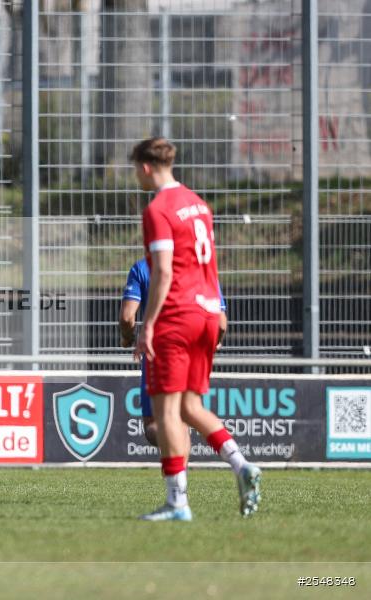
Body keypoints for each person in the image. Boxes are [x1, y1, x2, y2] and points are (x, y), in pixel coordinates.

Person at [131, 137, 261, 521]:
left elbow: (165, 272)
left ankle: (177, 503)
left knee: (166, 410)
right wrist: (215, 308)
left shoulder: (158, 209)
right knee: (190, 405)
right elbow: (207, 266)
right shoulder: (198, 204)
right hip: (207, 312)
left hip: (177, 315)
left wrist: (148, 325)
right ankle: (242, 466)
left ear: (144, 168)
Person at [119, 257, 228, 447]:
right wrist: (214, 341)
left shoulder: (143, 267)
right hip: (194, 349)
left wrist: (128, 338)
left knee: (156, 424)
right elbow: (220, 322)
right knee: (189, 412)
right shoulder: (202, 267)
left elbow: (127, 317)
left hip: (160, 350)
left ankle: (177, 470)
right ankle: (236, 459)